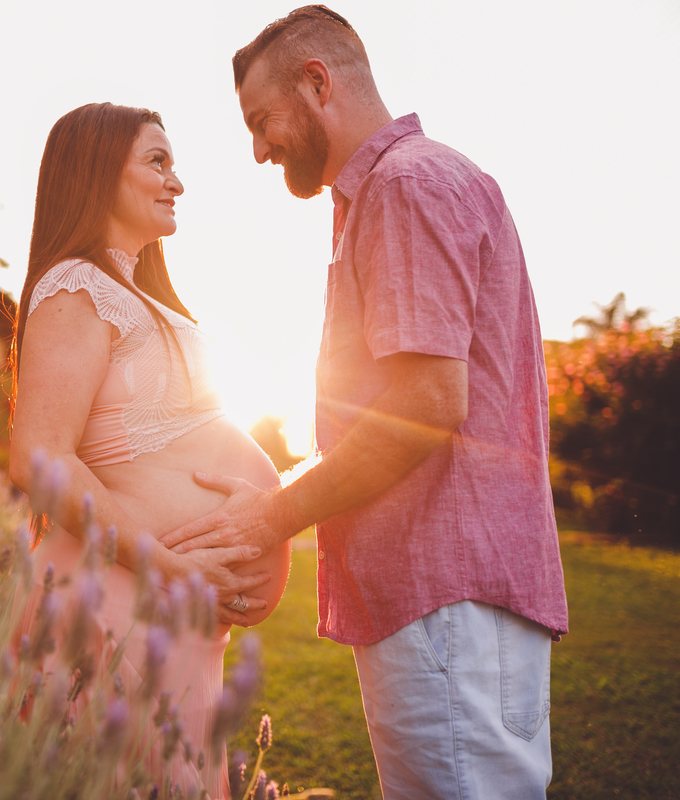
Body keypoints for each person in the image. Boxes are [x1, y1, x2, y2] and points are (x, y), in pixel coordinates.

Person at [159, 7, 569, 799]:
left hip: (446, 596)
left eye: (261, 121)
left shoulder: (404, 185)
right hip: (448, 603)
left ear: (317, 83)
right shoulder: (406, 186)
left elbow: (425, 400)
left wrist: (268, 517)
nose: (258, 150)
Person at [8, 102, 292, 797]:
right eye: (157, 162)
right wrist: (167, 564)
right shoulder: (76, 289)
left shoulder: (138, 294)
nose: (177, 182)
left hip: (167, 614)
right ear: (99, 171)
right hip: (120, 600)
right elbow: (41, 459)